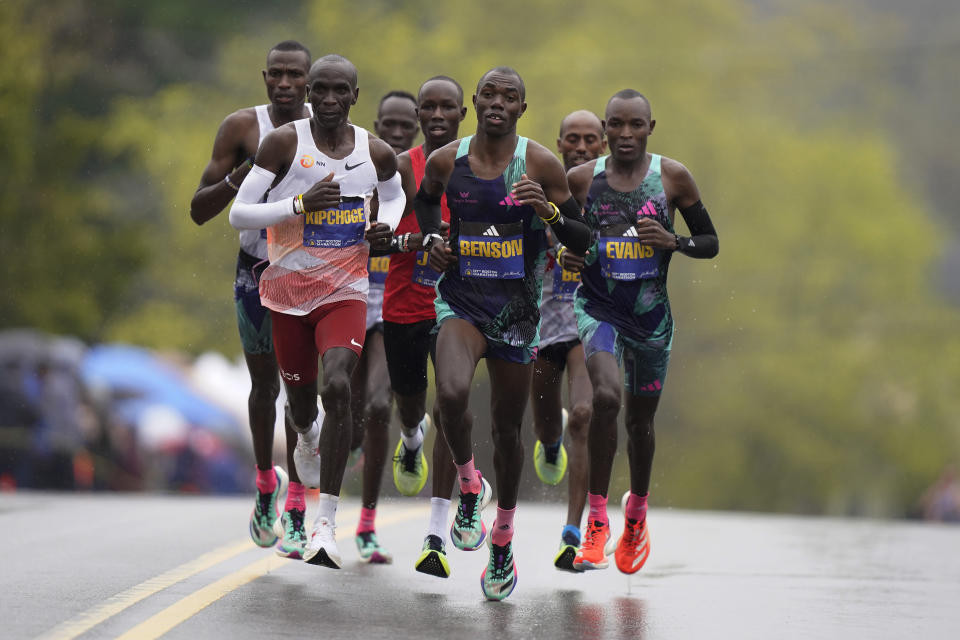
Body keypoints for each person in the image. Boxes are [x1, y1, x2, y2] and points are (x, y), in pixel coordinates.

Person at [414, 67, 590, 600]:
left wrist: (549, 209)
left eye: (508, 97)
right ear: (476, 102)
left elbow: (580, 234)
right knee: (449, 396)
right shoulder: (449, 159)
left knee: (509, 433)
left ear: (521, 108)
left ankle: (504, 539)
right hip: (461, 300)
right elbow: (425, 200)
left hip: (517, 314)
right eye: (488, 94)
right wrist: (430, 239)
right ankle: (470, 485)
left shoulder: (539, 163)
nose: (497, 103)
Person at [228, 54, 405, 570]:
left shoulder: (374, 151)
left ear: (355, 95)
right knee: (303, 407)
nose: (328, 100)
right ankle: (304, 437)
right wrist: (299, 206)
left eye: (339, 91)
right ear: (310, 94)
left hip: (345, 289)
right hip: (286, 292)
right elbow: (240, 212)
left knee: (338, 386)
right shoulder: (285, 143)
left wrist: (385, 227)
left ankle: (326, 525)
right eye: (320, 91)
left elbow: (392, 197)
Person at [567, 90, 718, 574]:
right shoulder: (581, 180)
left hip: (651, 319)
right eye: (617, 125)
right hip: (598, 309)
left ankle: (635, 516)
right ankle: (596, 522)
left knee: (640, 425)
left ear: (652, 126)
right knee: (606, 399)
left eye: (636, 125)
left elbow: (711, 243)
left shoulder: (672, 177)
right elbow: (563, 235)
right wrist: (569, 252)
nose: (625, 134)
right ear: (605, 129)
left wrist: (673, 241)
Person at [189, 41, 313, 559]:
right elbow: (199, 209)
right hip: (257, 270)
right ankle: (267, 483)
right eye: (276, 75)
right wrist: (244, 174)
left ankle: (300, 506)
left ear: (310, 82)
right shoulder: (241, 128)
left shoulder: (330, 128)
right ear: (265, 78)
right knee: (266, 387)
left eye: (295, 76)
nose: (284, 84)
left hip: (313, 270)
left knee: (304, 391)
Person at [383, 75, 485, 579]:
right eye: (430, 107)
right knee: (411, 401)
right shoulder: (402, 168)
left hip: (457, 307)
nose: (438, 115)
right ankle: (410, 437)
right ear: (419, 114)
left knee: (451, 403)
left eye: (448, 107)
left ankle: (436, 533)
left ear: (463, 113)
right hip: (405, 302)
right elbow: (370, 240)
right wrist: (419, 243)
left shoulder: (478, 167)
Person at [529, 110, 606, 572]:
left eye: (590, 139)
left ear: (603, 145)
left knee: (582, 415)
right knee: (548, 426)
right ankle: (549, 443)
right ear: (558, 144)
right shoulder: (540, 190)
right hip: (537, 324)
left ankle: (572, 530)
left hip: (585, 322)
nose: (581, 147)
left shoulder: (611, 196)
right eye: (572, 139)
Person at [347, 89, 420, 565]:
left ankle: (368, 524)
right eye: (387, 125)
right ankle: (346, 446)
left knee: (377, 404)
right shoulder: (352, 164)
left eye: (404, 127)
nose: (395, 134)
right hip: (343, 295)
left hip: (388, 301)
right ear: (375, 124)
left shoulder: (416, 176)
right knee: (346, 406)